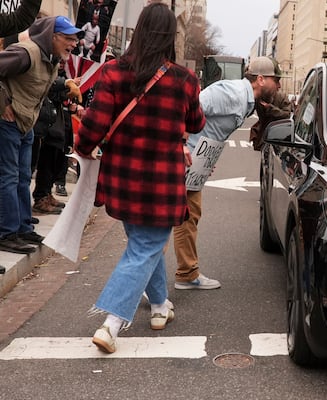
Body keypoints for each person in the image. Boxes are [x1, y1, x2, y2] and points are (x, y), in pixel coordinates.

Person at [75, 2, 205, 354]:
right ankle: (111, 324)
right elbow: (197, 124)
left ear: (139, 31)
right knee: (145, 248)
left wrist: (83, 148)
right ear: (170, 36)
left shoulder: (115, 72)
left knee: (142, 246)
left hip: (123, 180)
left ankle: (160, 306)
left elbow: (94, 125)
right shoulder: (184, 80)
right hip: (162, 185)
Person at [172, 56, 282, 290]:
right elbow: (186, 108)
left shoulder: (249, 100)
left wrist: (206, 157)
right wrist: (181, 145)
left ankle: (187, 274)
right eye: (276, 80)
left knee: (189, 216)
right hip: (184, 158)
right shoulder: (229, 93)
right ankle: (148, 280)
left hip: (196, 160)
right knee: (168, 218)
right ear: (260, 79)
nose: (279, 86)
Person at [0, 16, 81, 254]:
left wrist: (64, 84)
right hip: (8, 123)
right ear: (52, 36)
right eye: (68, 38)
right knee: (8, 178)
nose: (73, 44)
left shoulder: (50, 58)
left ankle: (22, 227)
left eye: (75, 39)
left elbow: (37, 81)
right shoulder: (26, 52)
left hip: (26, 123)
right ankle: (6, 232)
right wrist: (2, 103)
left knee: (24, 177)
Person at [31, 63, 81, 213]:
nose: (62, 63)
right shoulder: (46, 71)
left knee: (56, 161)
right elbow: (50, 90)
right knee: (44, 164)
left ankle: (46, 193)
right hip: (46, 126)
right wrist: (66, 87)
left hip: (58, 122)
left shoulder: (61, 75)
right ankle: (41, 198)